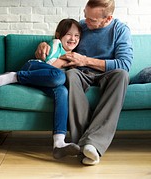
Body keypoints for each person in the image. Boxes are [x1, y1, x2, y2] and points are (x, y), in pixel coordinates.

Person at [35, 0, 133, 165]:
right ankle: (85, 147)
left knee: (122, 75)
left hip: (107, 74)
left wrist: (86, 60)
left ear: (108, 19)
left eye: (92, 20)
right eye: (85, 16)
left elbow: (124, 64)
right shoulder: (81, 26)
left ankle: (92, 144)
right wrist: (44, 45)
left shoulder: (120, 30)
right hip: (81, 74)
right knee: (71, 75)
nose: (85, 23)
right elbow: (61, 43)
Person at [0, 18, 82, 159]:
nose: (73, 39)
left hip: (45, 81)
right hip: (33, 68)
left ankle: (59, 143)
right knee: (59, 77)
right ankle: (15, 76)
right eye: (69, 34)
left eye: (77, 36)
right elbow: (50, 63)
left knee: (63, 91)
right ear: (58, 35)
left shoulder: (75, 54)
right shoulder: (56, 44)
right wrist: (66, 60)